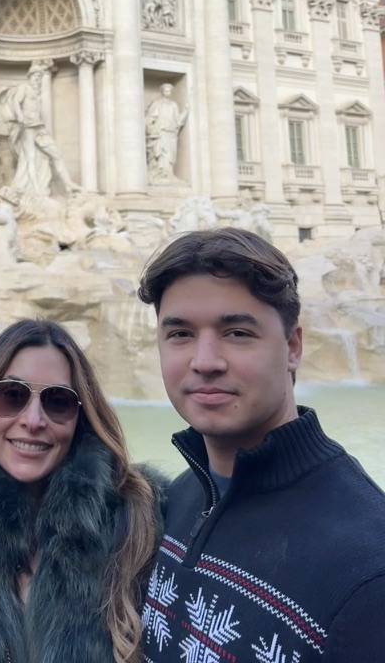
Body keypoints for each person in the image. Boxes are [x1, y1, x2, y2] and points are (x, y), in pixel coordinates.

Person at [137, 228, 385, 662]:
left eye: (237, 333)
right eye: (180, 334)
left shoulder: (368, 568)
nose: (205, 361)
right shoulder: (171, 501)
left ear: (292, 347)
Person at [0, 317, 164, 663]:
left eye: (58, 402)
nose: (33, 420)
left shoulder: (139, 515)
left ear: (80, 418)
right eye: (12, 396)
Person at [0, 64, 79, 196]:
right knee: (30, 158)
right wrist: (20, 115)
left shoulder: (37, 92)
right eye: (36, 76)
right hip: (27, 127)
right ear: (30, 76)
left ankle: (68, 184)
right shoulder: (24, 88)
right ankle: (36, 189)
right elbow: (16, 101)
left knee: (56, 154)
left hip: (38, 127)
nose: (37, 79)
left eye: (40, 76)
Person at [145, 83, 188, 182]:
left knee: (170, 155)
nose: (167, 92)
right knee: (162, 154)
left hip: (171, 133)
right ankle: (161, 174)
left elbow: (178, 120)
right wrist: (153, 130)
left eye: (169, 91)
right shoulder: (157, 104)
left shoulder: (174, 105)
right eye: (166, 90)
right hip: (161, 132)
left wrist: (186, 110)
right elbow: (150, 118)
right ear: (162, 92)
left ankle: (169, 174)